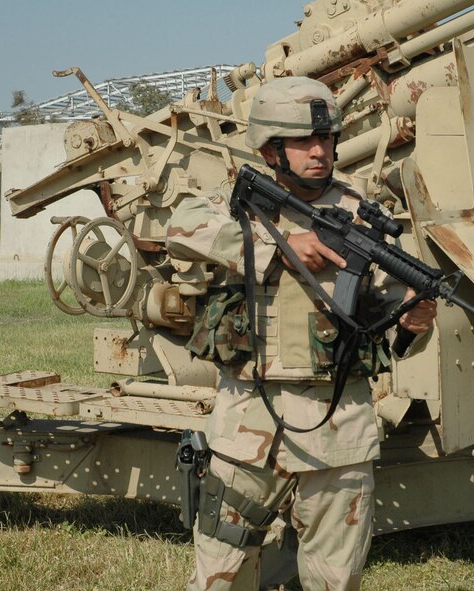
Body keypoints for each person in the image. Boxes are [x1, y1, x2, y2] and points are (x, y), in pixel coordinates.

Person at [165, 76, 436, 591]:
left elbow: (385, 312)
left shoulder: (359, 214)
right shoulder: (236, 199)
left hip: (339, 434)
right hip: (247, 428)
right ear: (270, 149)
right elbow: (181, 226)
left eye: (327, 138)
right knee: (220, 576)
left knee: (334, 581)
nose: (320, 150)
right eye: (305, 141)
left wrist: (411, 320)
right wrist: (284, 246)